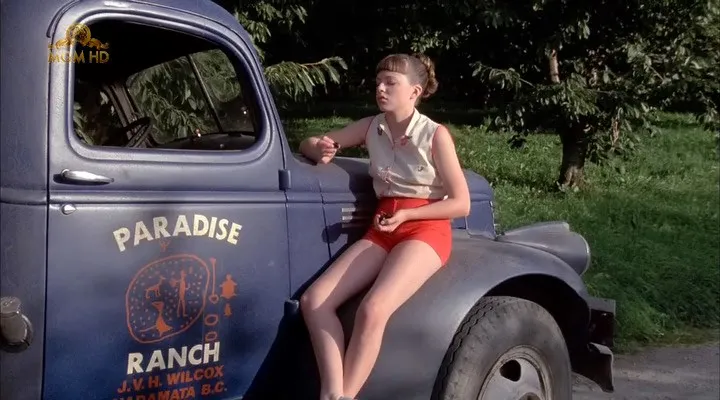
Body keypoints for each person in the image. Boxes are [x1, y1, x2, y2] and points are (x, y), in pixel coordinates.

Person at [298, 53, 471, 400]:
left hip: (425, 228)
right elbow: (308, 143)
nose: (380, 88)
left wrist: (408, 216)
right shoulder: (371, 126)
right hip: (383, 226)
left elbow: (461, 203)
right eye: (378, 82)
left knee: (373, 309)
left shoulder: (435, 135)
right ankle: (332, 393)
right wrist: (321, 148)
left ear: (415, 91)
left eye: (391, 82)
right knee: (314, 301)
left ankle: (344, 396)